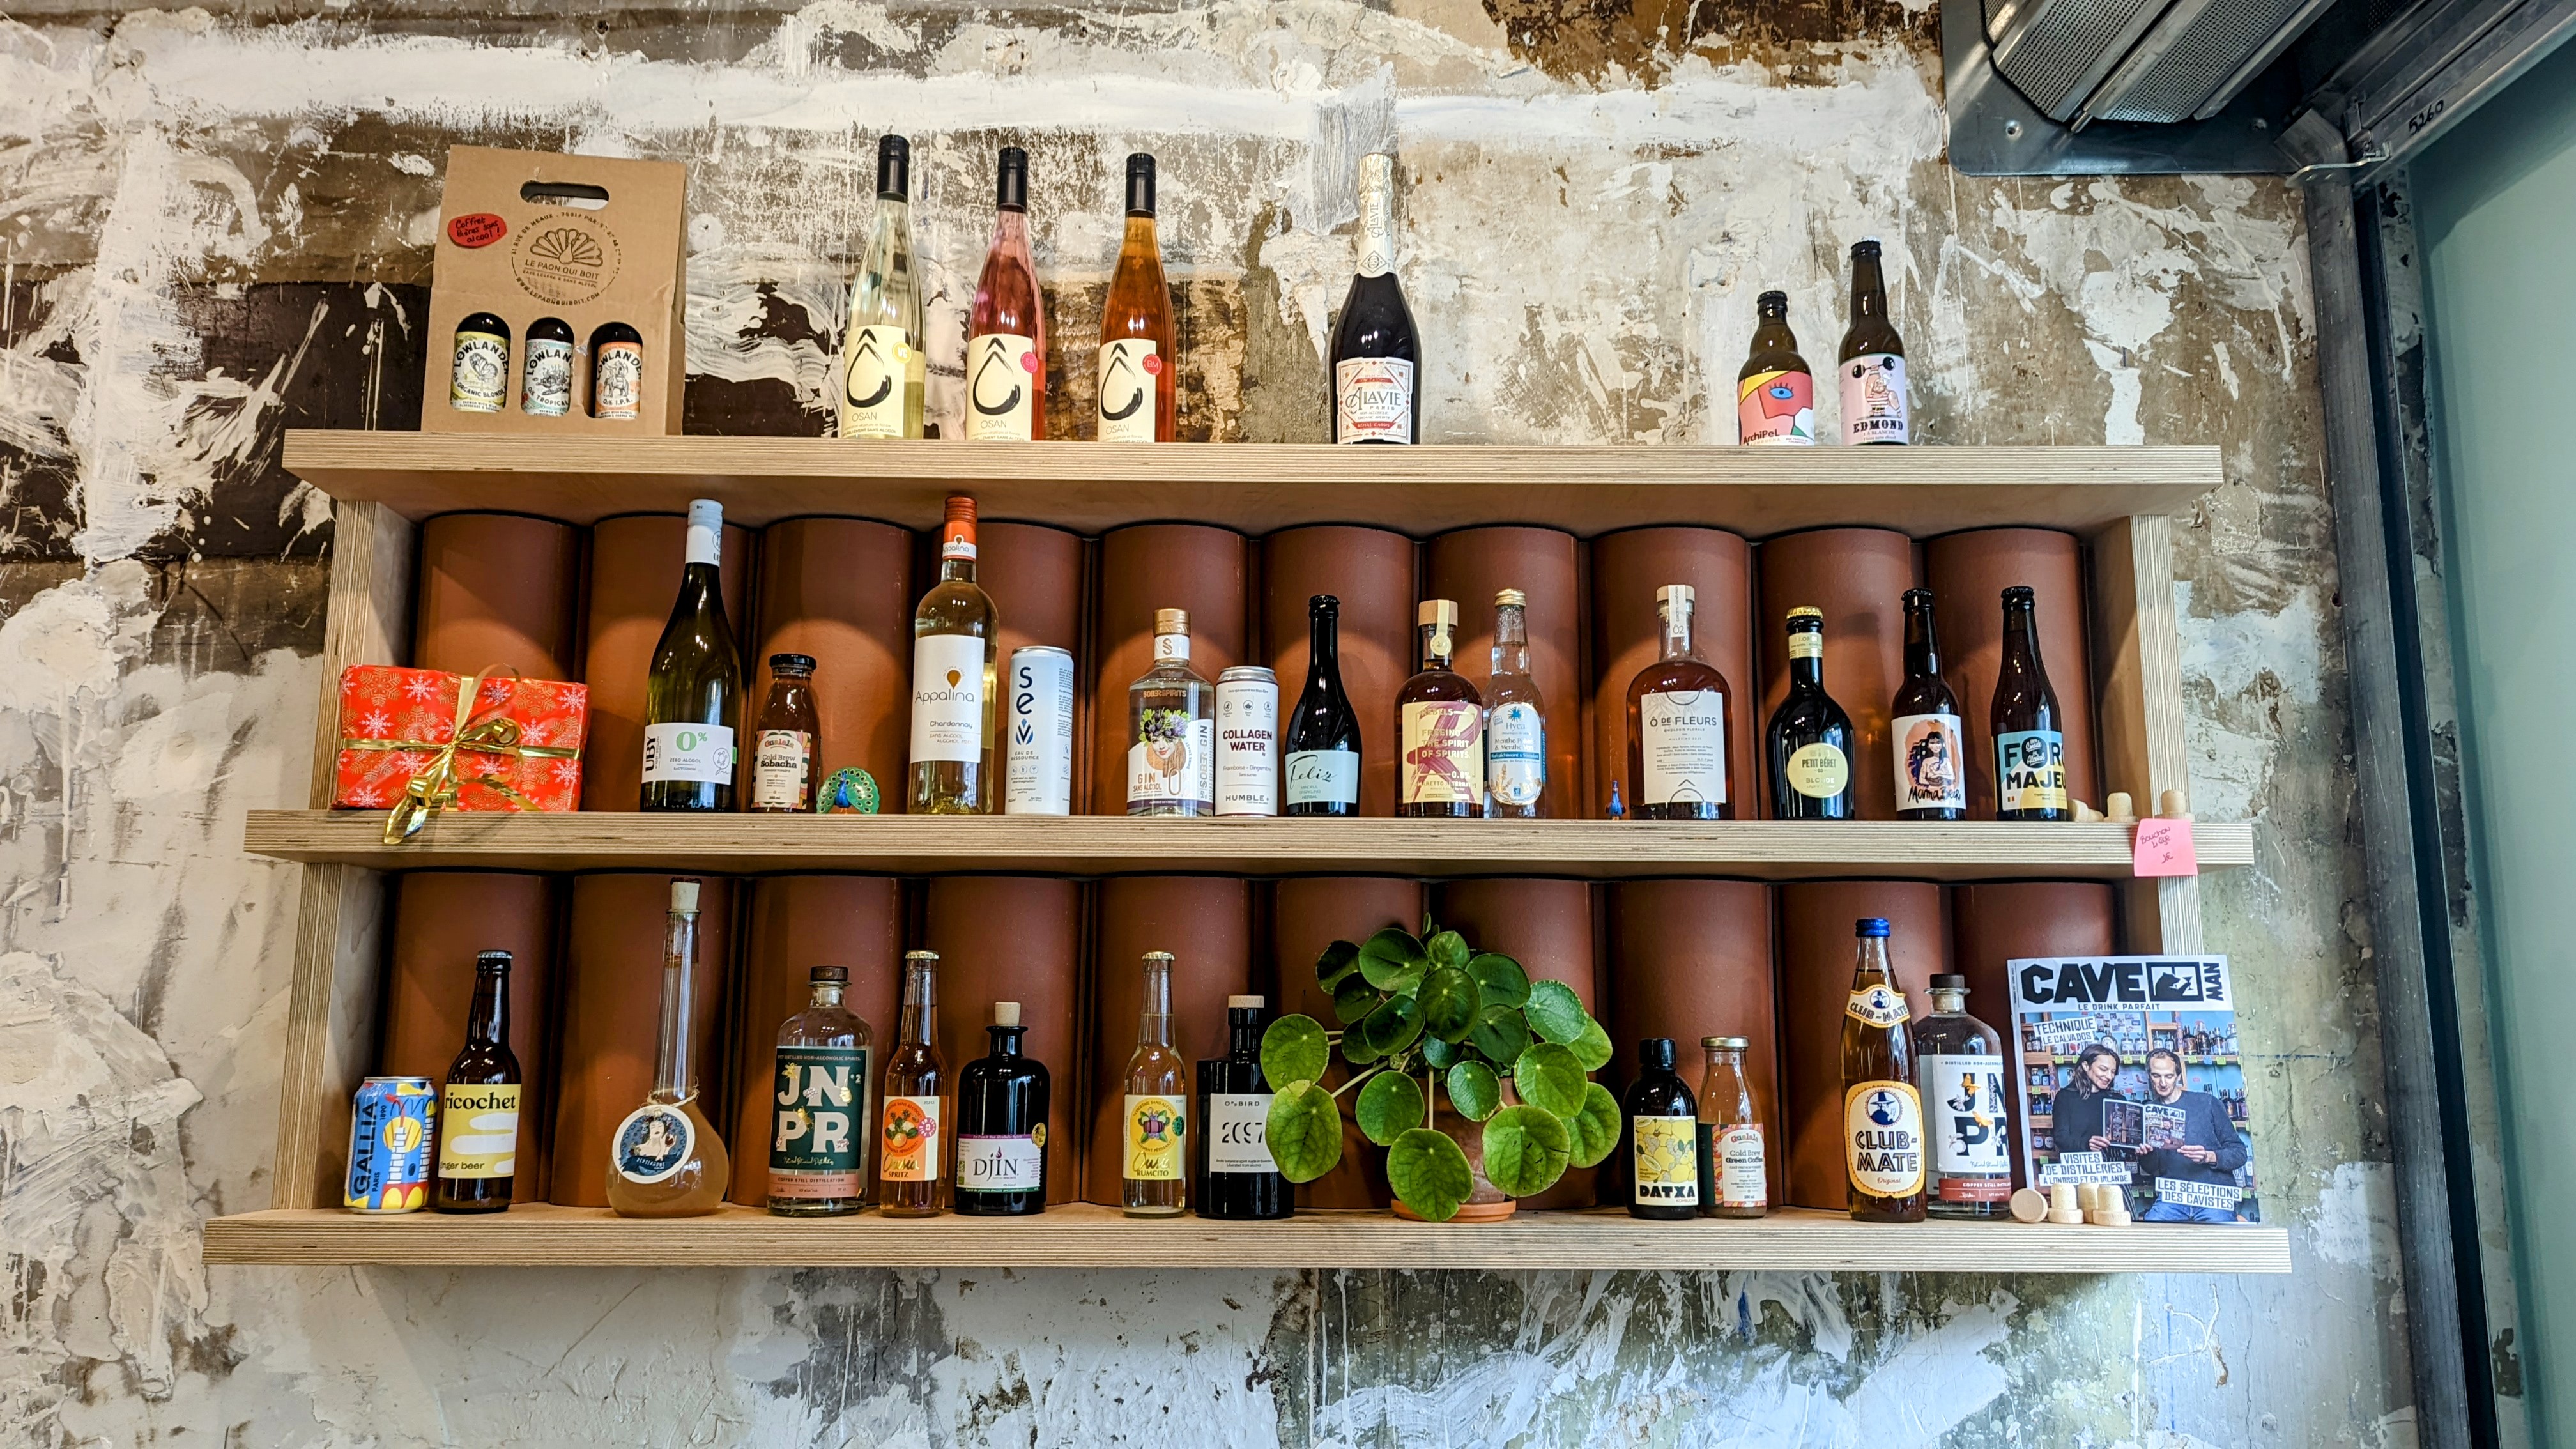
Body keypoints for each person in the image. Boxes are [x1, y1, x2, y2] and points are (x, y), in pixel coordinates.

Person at [2134, 1048, 2250, 1223]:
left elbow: (2240, 1153)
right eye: (2157, 1076)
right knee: (2150, 1236)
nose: (2163, 1083)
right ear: (2150, 1076)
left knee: (2221, 1243)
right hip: (2173, 1198)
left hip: (2212, 1196)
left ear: (2179, 1076)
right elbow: (2154, 1168)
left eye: (2169, 1076)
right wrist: (2146, 1155)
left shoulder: (2207, 1103)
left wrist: (2209, 1156)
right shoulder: (2148, 1111)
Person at [2049, 1043, 2124, 1158]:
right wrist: (2087, 1144)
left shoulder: (2118, 1100)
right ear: (2085, 1066)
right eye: (2103, 1069)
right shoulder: (2065, 1097)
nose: (2109, 1076)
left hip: (2113, 1169)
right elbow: (2060, 1138)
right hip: (2079, 1168)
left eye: (2113, 1072)